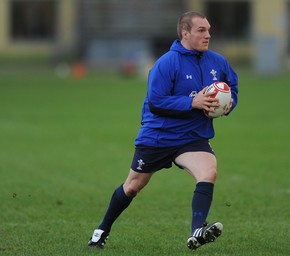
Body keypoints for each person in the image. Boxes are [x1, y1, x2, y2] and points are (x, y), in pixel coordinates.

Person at [87, 11, 238, 250]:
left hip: (192, 136)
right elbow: (156, 101)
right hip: (159, 136)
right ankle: (101, 230)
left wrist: (229, 104)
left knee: (208, 172)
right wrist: (192, 103)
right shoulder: (166, 63)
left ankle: (197, 229)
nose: (208, 35)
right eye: (201, 30)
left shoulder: (217, 62)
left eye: (209, 30)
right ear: (185, 33)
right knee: (132, 186)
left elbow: (233, 87)